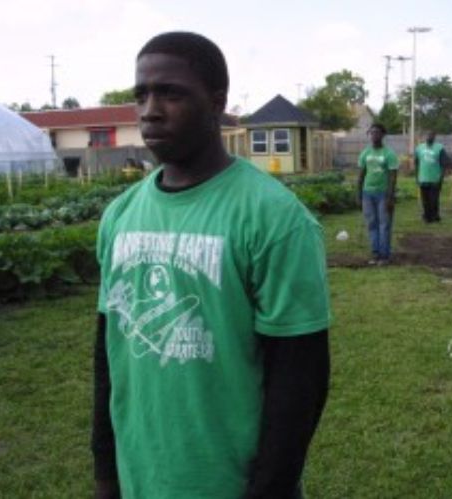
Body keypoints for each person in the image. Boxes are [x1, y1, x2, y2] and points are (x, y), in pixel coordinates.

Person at [92, 32, 331, 499]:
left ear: (218, 103)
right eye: (141, 94)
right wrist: (106, 472)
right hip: (140, 476)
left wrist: (269, 489)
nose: (150, 110)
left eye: (171, 93)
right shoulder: (119, 216)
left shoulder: (275, 218)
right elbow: (108, 355)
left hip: (230, 482)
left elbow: (300, 379)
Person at [357, 123, 398, 265]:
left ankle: (384, 256)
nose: (374, 135)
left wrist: (390, 196)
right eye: (372, 133)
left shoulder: (389, 153)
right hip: (367, 193)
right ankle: (375, 254)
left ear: (382, 135)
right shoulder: (365, 153)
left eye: (377, 133)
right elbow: (361, 174)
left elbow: (393, 176)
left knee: (384, 224)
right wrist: (359, 194)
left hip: (383, 194)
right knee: (371, 224)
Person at [415, 131, 449, 222]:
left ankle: (435, 216)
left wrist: (441, 177)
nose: (429, 136)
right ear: (424, 136)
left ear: (434, 137)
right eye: (427, 135)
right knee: (425, 200)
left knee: (434, 199)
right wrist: (416, 177)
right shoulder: (419, 148)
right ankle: (427, 216)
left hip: (435, 178)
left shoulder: (439, 148)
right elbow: (416, 163)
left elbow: (444, 164)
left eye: (431, 135)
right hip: (423, 178)